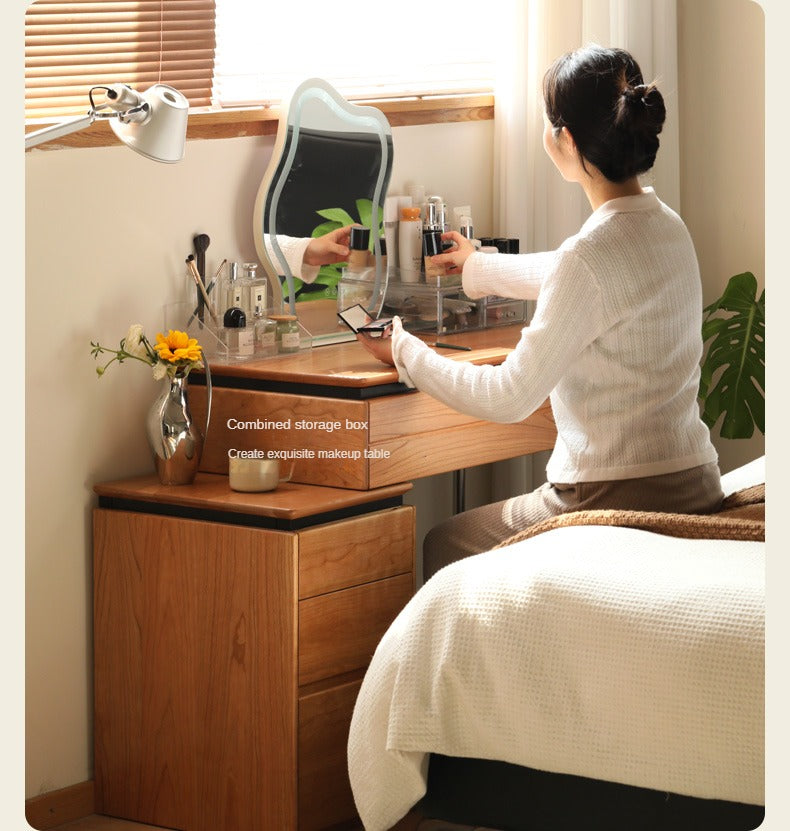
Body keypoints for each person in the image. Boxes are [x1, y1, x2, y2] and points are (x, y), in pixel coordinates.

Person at [355, 44, 723, 580]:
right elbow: (585, 275)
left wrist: (405, 350)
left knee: (446, 542)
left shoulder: (589, 257)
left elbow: (509, 397)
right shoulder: (667, 226)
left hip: (609, 497)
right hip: (694, 483)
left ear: (566, 141)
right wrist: (476, 266)